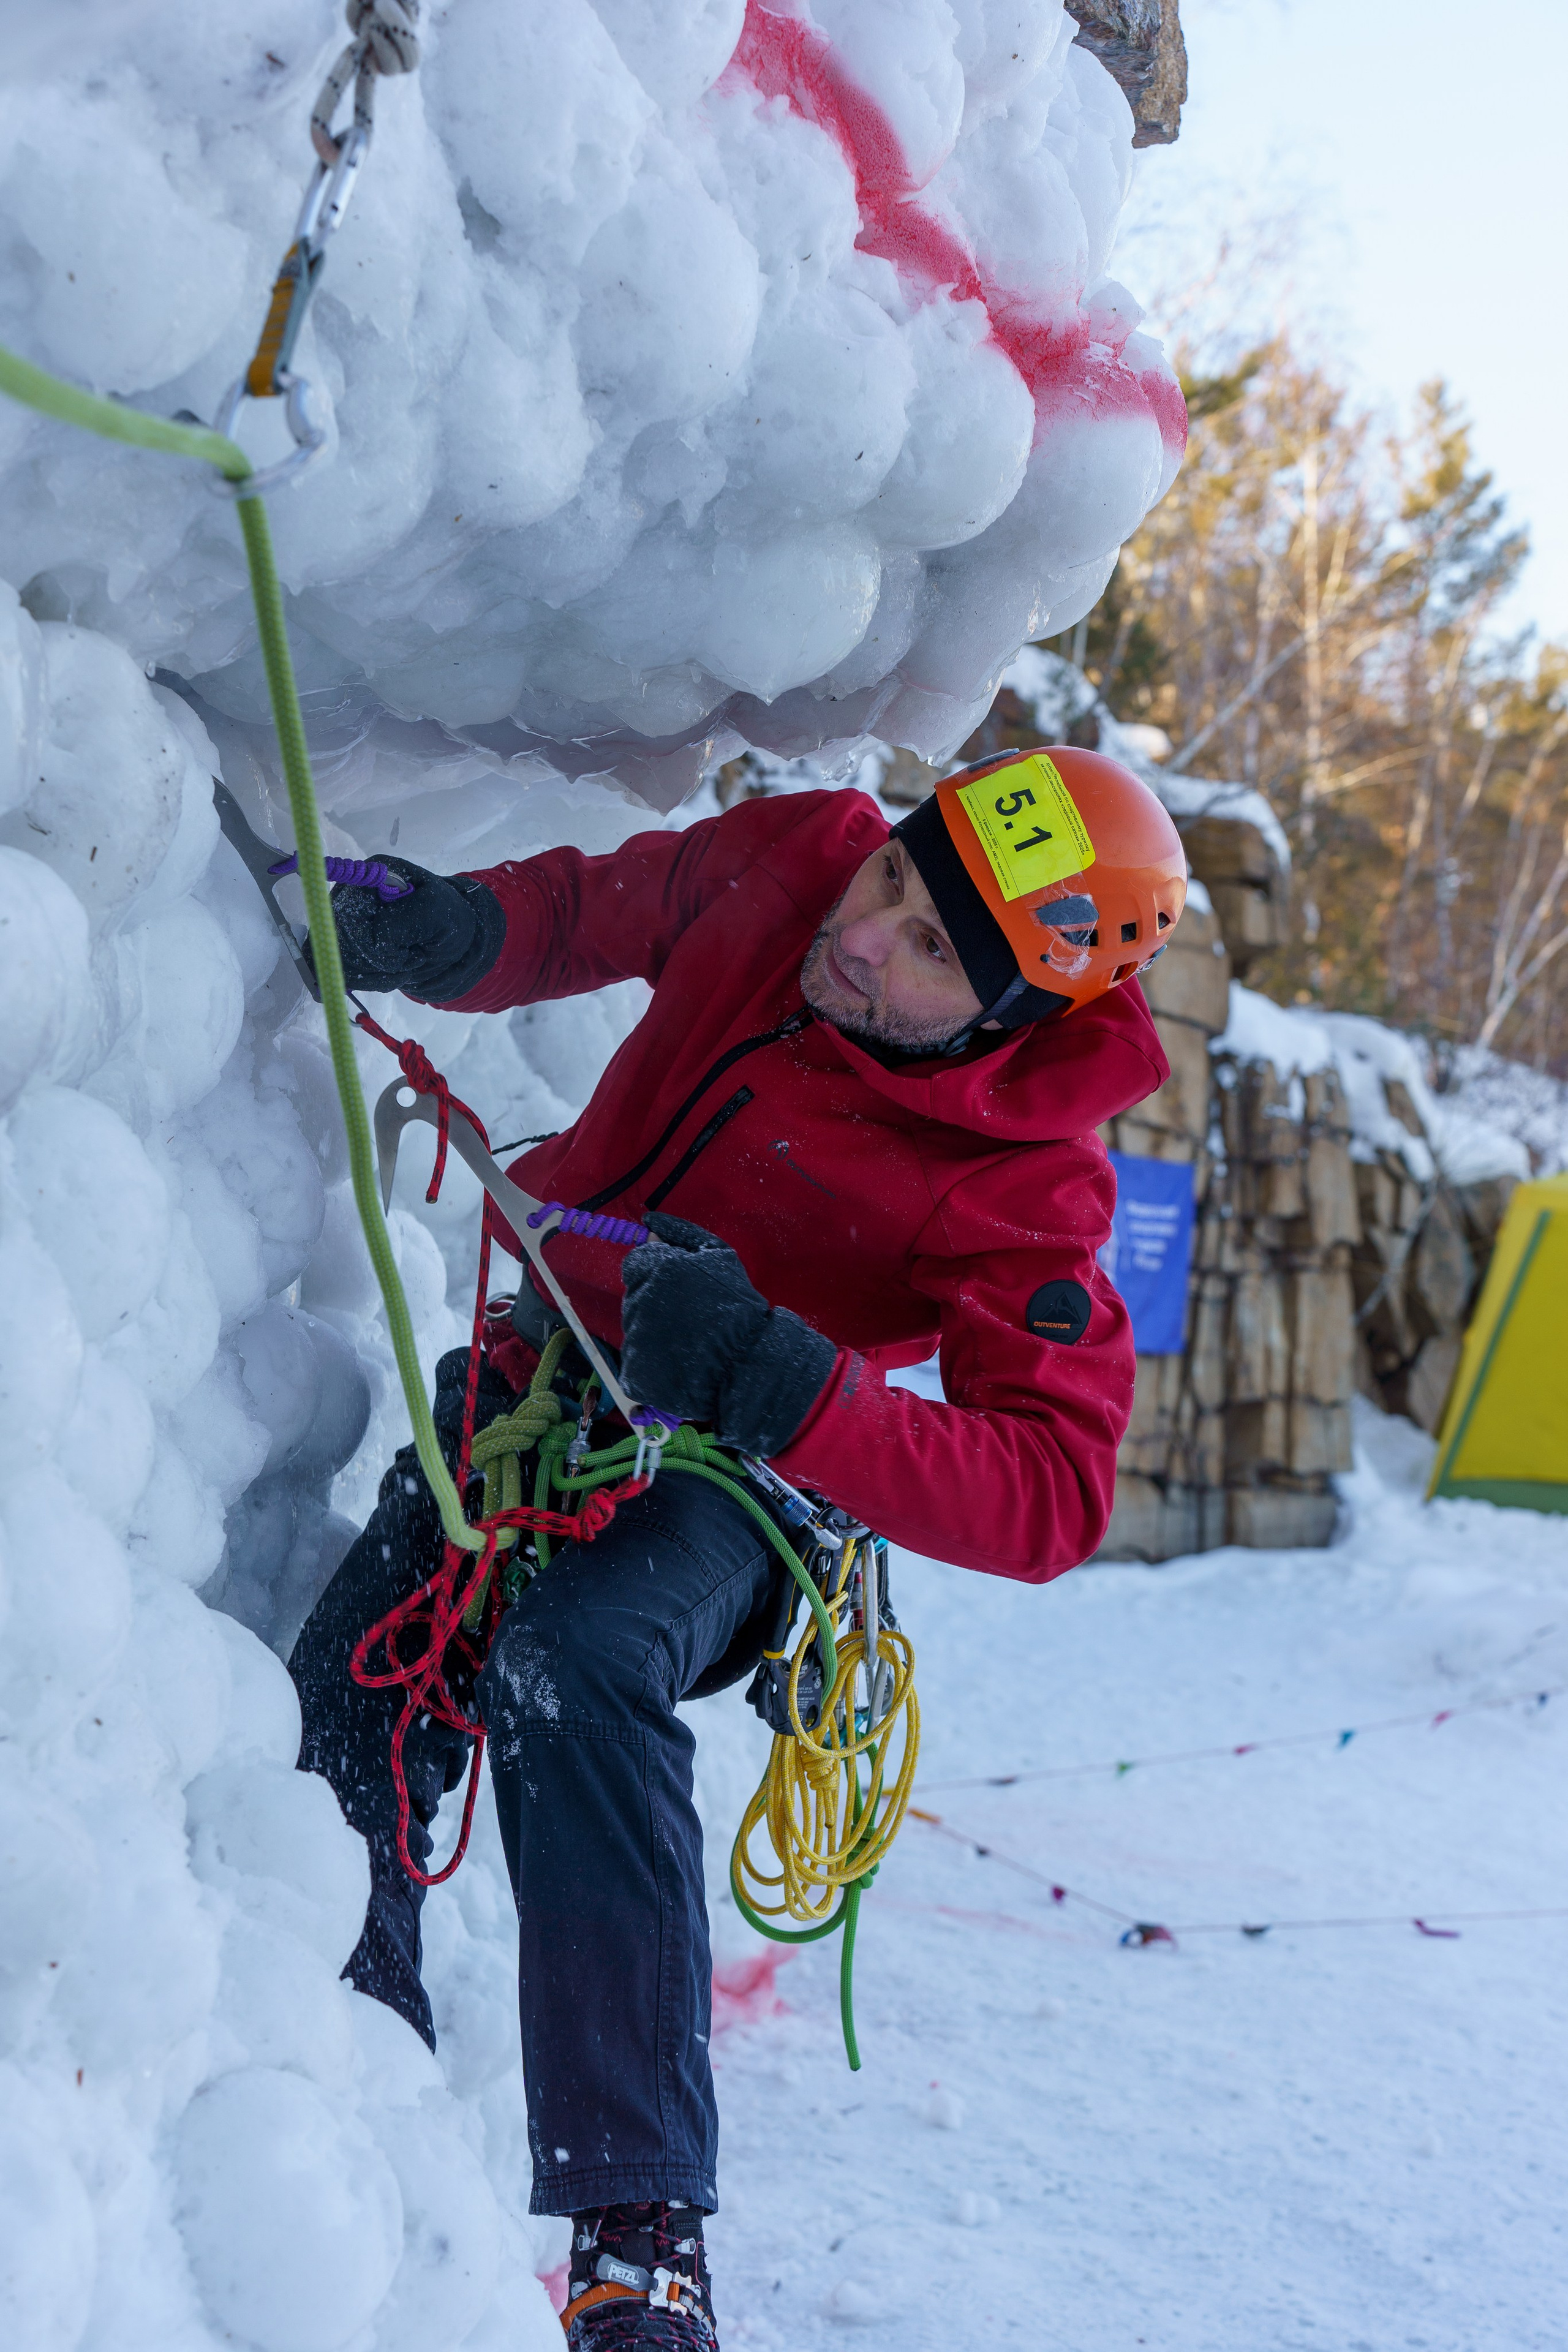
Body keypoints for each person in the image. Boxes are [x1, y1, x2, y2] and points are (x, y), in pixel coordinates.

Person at [288, 747, 1186, 2347]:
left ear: (1013, 1017)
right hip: (547, 1380)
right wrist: (450, 934)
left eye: (928, 955)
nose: (866, 938)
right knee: (362, 1678)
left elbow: (1053, 1490)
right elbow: (598, 905)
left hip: (750, 1482)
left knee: (574, 1654)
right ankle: (353, 2033)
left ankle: (642, 2235)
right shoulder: (803, 863)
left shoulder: (1028, 1184)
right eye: (898, 883)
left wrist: (790, 1382)